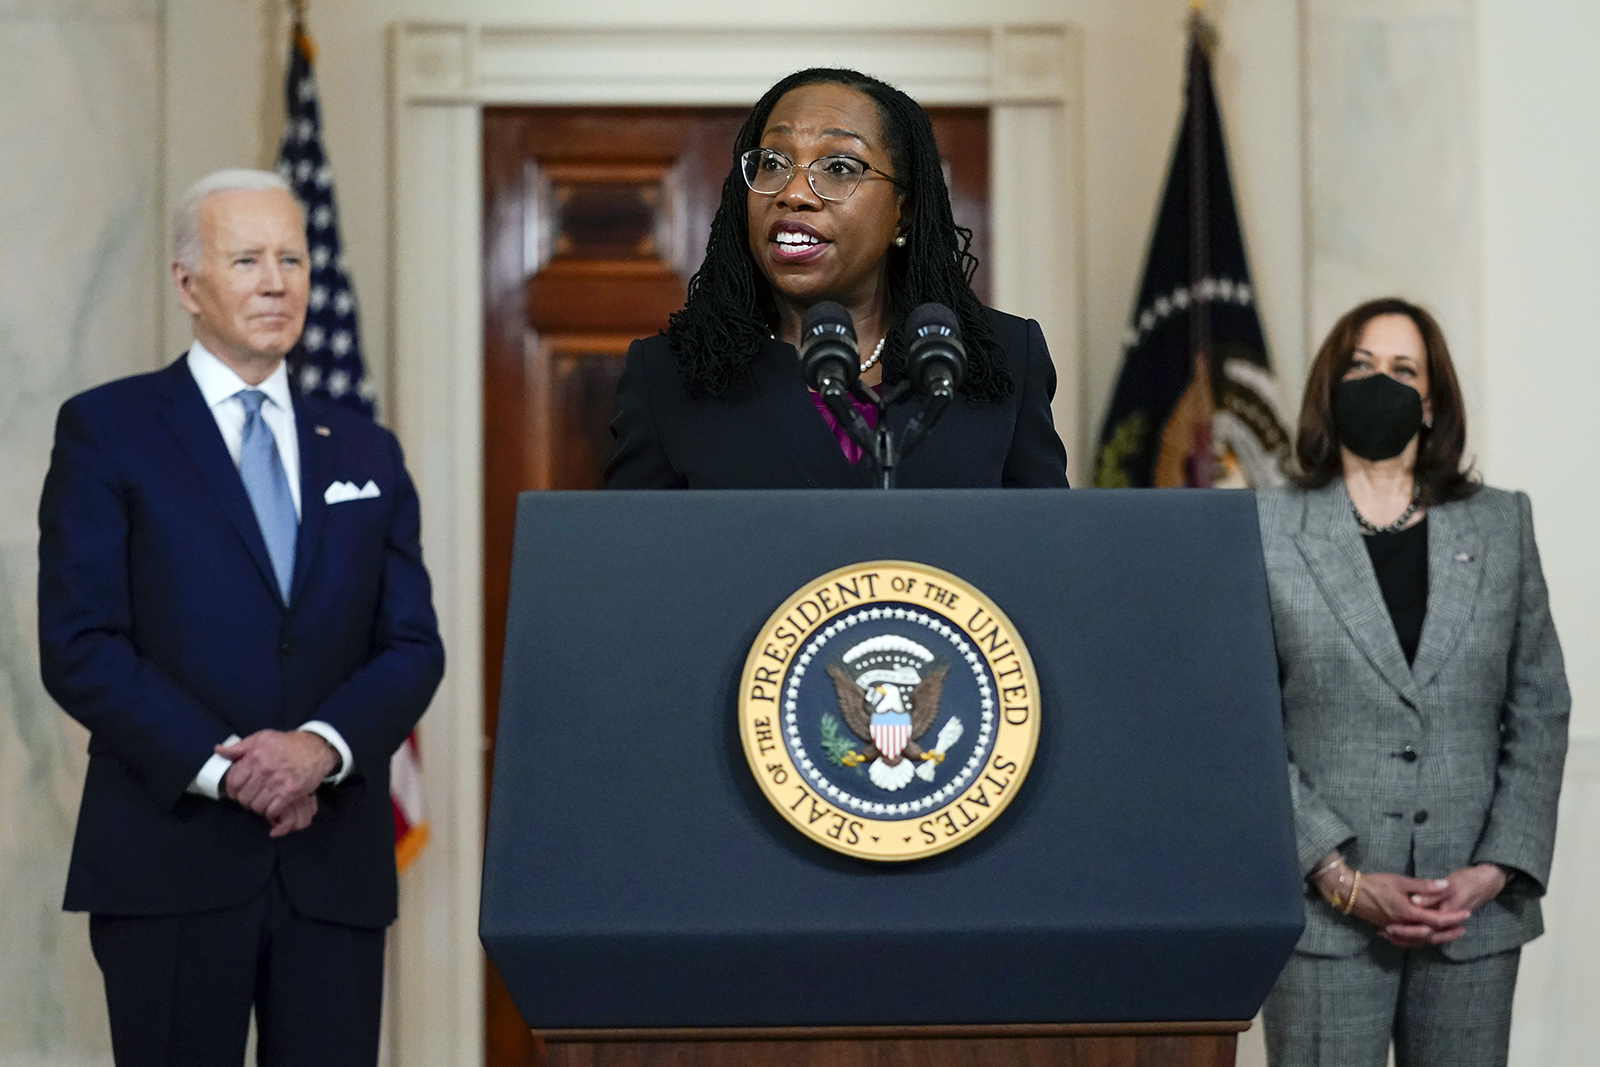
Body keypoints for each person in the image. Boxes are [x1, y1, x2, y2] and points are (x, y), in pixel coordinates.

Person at [36, 169, 444, 1066]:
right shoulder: (109, 430)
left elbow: (411, 645)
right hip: (168, 859)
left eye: (292, 258)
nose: (276, 281)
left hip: (331, 870)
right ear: (187, 283)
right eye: (248, 258)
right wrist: (234, 771)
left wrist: (318, 750)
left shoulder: (366, 448)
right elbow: (79, 643)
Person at [1256, 297, 1568, 1067]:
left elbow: (1540, 704)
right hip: (1323, 916)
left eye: (1403, 370)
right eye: (1361, 366)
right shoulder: (1264, 527)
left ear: (1431, 402)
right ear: (1331, 386)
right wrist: (1337, 875)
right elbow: (1243, 721)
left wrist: (1496, 868)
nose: (1381, 383)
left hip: (1471, 917)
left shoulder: (1501, 524)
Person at [605, 68, 1069, 489]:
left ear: (902, 214)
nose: (792, 193)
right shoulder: (669, 375)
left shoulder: (1003, 358)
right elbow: (626, 567)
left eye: (839, 168)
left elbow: (1047, 558)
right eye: (773, 162)